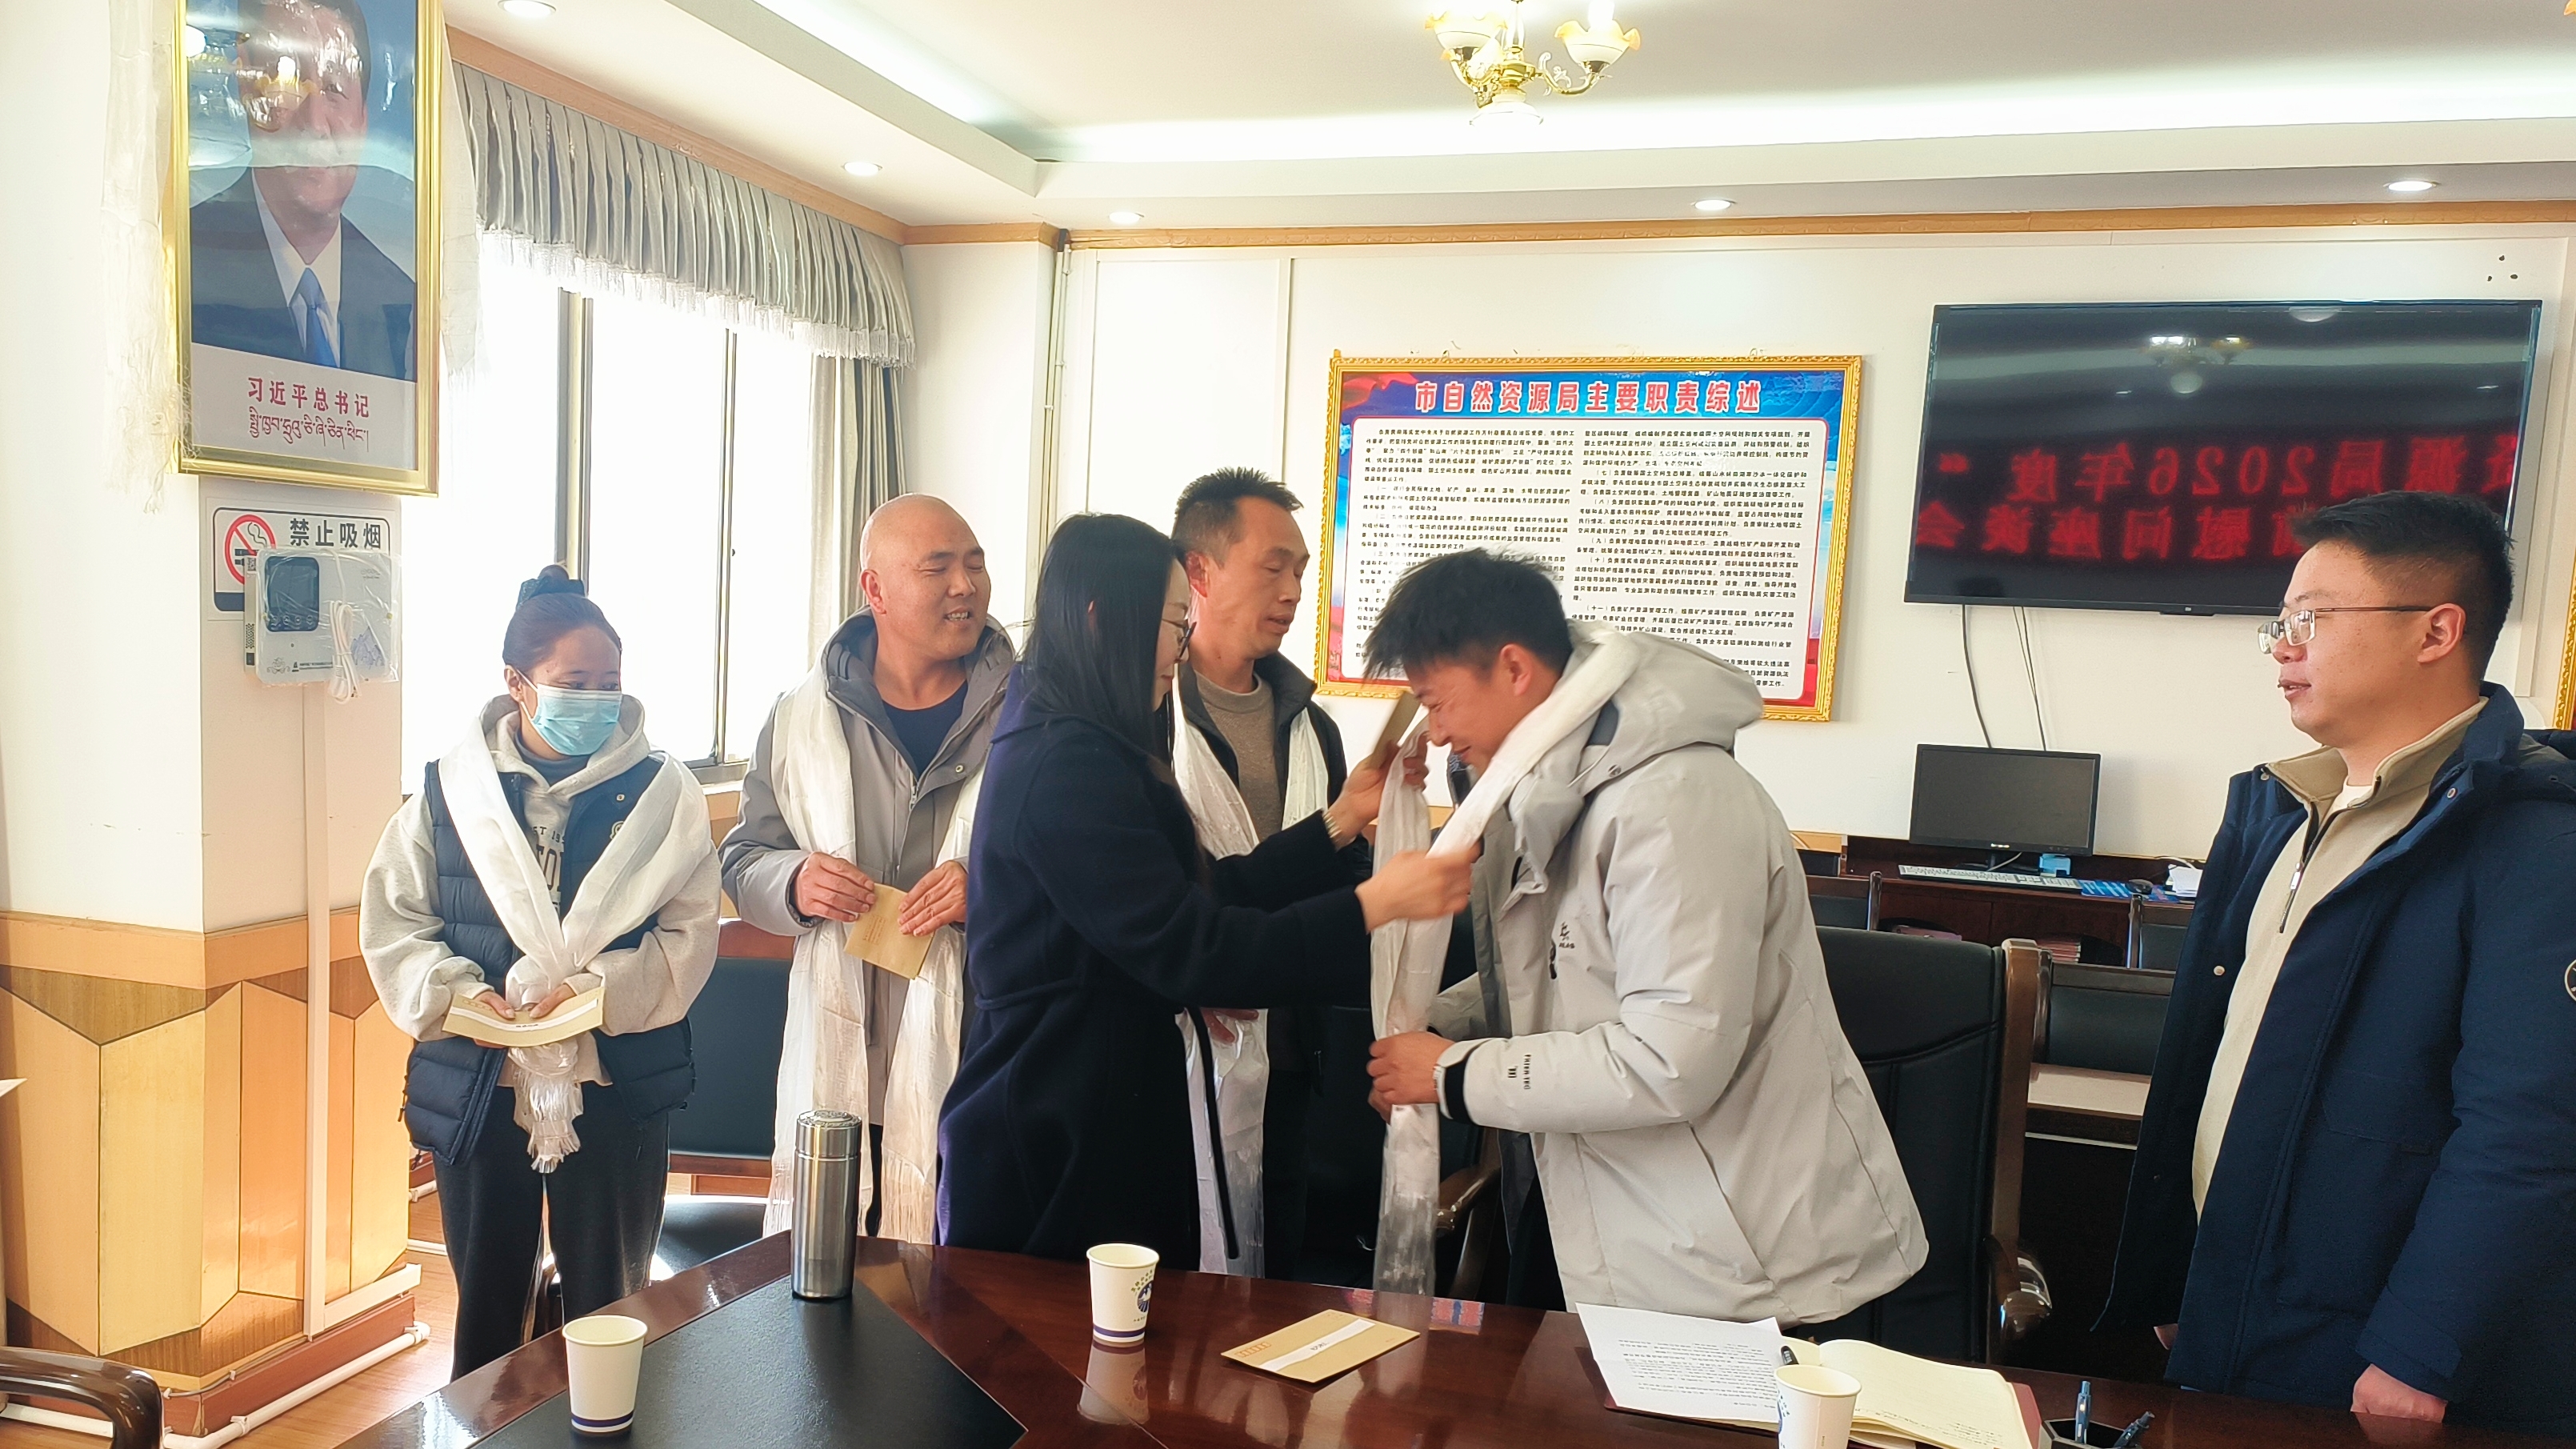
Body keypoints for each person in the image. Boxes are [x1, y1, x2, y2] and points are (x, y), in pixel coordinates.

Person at [2099, 493, 2576, 1435]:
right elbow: (2219, 1067)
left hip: (2379, 1353)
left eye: (2312, 617)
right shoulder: (2282, 816)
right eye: (2280, 622)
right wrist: (2183, 1273)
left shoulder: (2533, 839)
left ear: (2436, 630)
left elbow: (2526, 1130)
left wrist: (2420, 1349)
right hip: (2242, 1305)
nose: (2282, 646)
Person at [1362, 550, 1926, 1322]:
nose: (1435, 732)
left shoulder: (1673, 800)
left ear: (1514, 668)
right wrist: (1437, 1023)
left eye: (1438, 701)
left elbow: (1671, 1059)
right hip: (1605, 1208)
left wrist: (1450, 1073)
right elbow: (1555, 970)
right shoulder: (1541, 791)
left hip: (1733, 1251)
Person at [937, 513, 1474, 1267]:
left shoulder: (1084, 737)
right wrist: (1378, 902)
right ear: (1100, 619)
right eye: (1172, 625)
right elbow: (1195, 948)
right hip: (1055, 1122)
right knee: (1068, 1336)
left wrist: (1341, 821)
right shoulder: (1065, 764)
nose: (1179, 650)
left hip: (1098, 1101)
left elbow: (1203, 891)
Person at [362, 566, 718, 1378]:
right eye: (573, 683)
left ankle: (611, 1426)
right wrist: (457, 994)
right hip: (481, 1080)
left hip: (616, 1077)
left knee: (613, 1304)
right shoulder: (449, 791)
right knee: (488, 1303)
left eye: (609, 682)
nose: (596, 699)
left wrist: (596, 993)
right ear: (517, 683)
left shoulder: (664, 794)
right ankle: (491, 1426)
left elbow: (691, 932)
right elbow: (395, 921)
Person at [721, 494, 1014, 1239]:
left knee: (963, 1281)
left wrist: (992, 889)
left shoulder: (1029, 715)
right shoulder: (802, 716)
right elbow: (744, 860)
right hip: (841, 1056)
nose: (965, 585)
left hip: (983, 1056)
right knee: (834, 1274)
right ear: (874, 589)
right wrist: (795, 881)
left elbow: (1078, 871)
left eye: (975, 564)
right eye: (937, 568)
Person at [1169, 467, 1374, 1283]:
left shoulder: (1312, 726)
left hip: (1289, 1051)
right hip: (1173, 1050)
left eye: (1300, 571)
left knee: (1273, 1278)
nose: (1292, 591)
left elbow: (1340, 883)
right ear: (1201, 570)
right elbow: (1171, 891)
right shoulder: (1152, 717)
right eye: (1272, 567)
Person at [191, 0, 415, 379]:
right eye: (286, 78)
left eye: (335, 88)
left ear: (363, 119)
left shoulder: (400, 300)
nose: (314, 123)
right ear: (247, 88)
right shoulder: (188, 260)